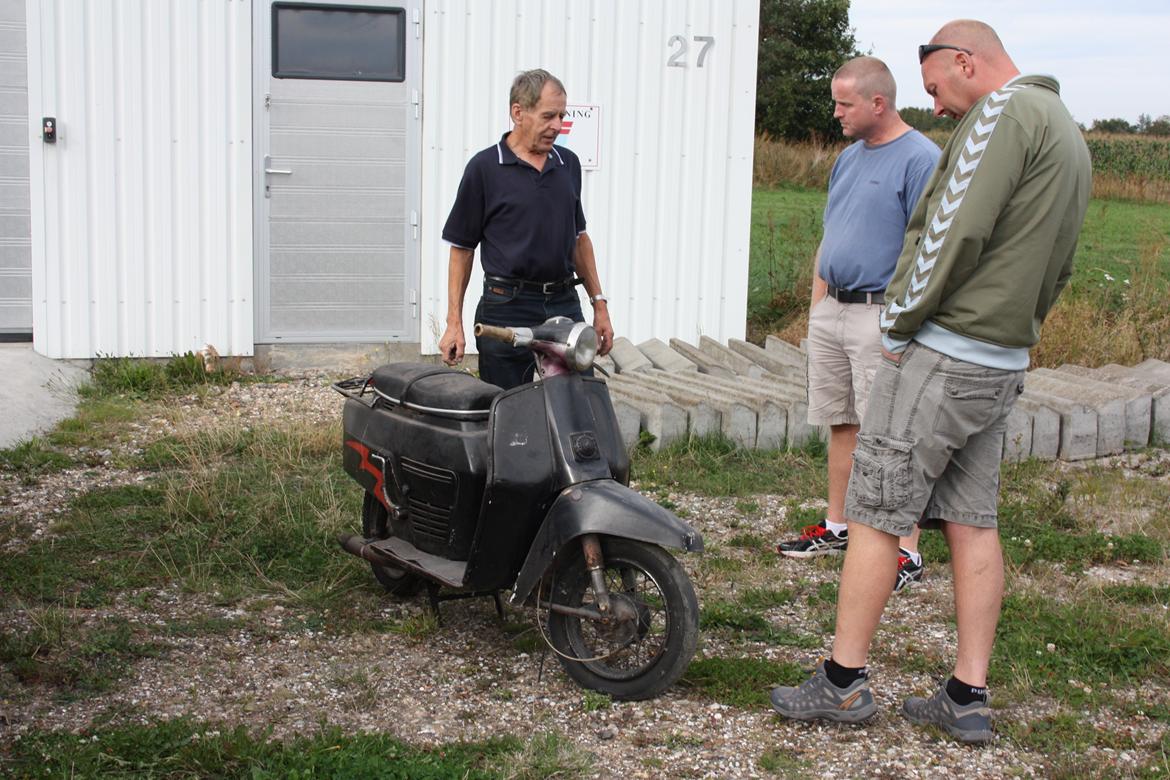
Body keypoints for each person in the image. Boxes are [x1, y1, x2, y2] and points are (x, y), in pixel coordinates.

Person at [770, 20, 1091, 744]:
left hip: (943, 355)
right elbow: (1062, 259)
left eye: (937, 88)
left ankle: (843, 683)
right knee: (974, 522)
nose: (939, 108)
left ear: (965, 60)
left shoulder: (1003, 115)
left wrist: (899, 325)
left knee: (879, 511)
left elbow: (949, 229)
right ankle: (966, 695)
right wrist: (1022, 328)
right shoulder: (1067, 131)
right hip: (1002, 359)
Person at [776, 56, 939, 594]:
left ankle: (906, 550)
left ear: (878, 102)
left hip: (881, 316)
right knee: (842, 423)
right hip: (834, 311)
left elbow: (930, 253)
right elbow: (832, 232)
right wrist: (818, 305)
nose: (836, 112)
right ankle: (840, 526)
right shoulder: (847, 159)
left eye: (844, 103)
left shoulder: (921, 159)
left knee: (891, 436)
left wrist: (902, 323)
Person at [438, 69, 614, 389]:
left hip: (563, 302)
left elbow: (579, 239)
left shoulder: (568, 165)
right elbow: (462, 249)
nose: (558, 126)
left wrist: (598, 305)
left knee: (577, 400)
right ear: (518, 112)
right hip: (505, 304)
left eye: (562, 116)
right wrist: (454, 322)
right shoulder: (485, 168)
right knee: (507, 409)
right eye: (549, 116)